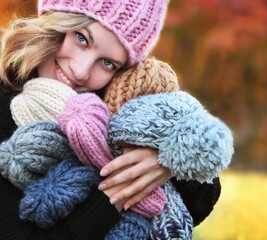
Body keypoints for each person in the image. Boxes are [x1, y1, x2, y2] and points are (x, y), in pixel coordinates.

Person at [0, 1, 231, 239]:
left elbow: (203, 198)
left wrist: (165, 159)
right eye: (81, 38)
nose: (80, 71)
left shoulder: (116, 99)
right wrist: (118, 191)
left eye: (108, 63)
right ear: (55, 20)